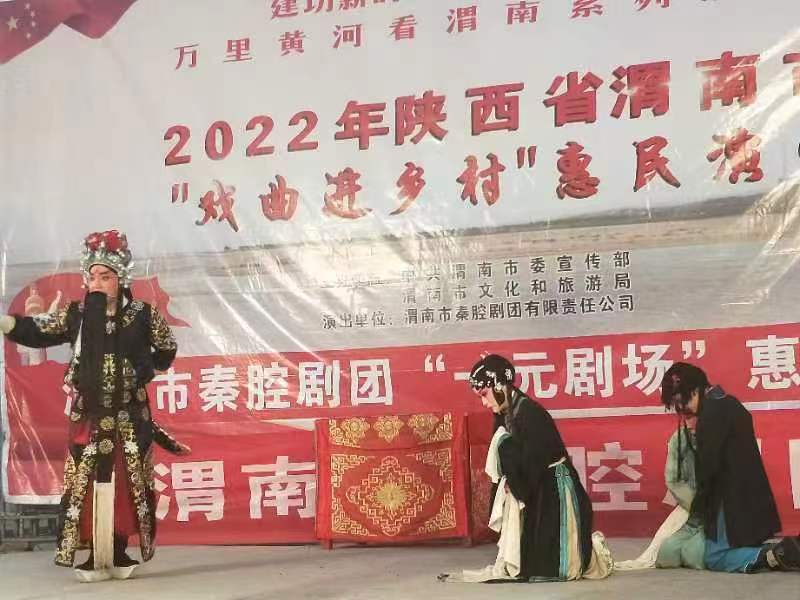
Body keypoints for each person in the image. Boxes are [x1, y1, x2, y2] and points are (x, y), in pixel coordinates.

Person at [0, 230, 189, 583]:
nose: (98, 283)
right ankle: (90, 552)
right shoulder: (78, 314)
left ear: (121, 278)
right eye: (93, 276)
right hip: (89, 414)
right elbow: (38, 331)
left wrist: (142, 370)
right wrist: (8, 324)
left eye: (106, 276)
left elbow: (166, 349)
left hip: (130, 415)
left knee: (127, 481)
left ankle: (117, 548)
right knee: (85, 482)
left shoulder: (143, 315)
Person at [443, 354, 613, 583]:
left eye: (484, 394)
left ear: (500, 386)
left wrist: (515, 484)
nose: (484, 403)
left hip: (555, 489)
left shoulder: (530, 413)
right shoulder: (506, 413)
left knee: (546, 567)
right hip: (536, 484)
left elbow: (533, 461)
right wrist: (509, 483)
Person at [659, 362, 800, 573]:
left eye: (682, 401)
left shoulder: (710, 415)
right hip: (754, 503)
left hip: (732, 502)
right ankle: (786, 551)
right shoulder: (731, 403)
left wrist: (697, 513)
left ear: (695, 391)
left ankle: (774, 555)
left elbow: (708, 473)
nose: (681, 410)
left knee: (714, 557)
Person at [616, 415, 705, 570]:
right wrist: (695, 505)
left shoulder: (722, 437)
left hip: (720, 510)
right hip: (692, 508)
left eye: (693, 415)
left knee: (694, 554)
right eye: (686, 416)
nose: (689, 423)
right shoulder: (680, 439)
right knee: (665, 556)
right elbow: (674, 480)